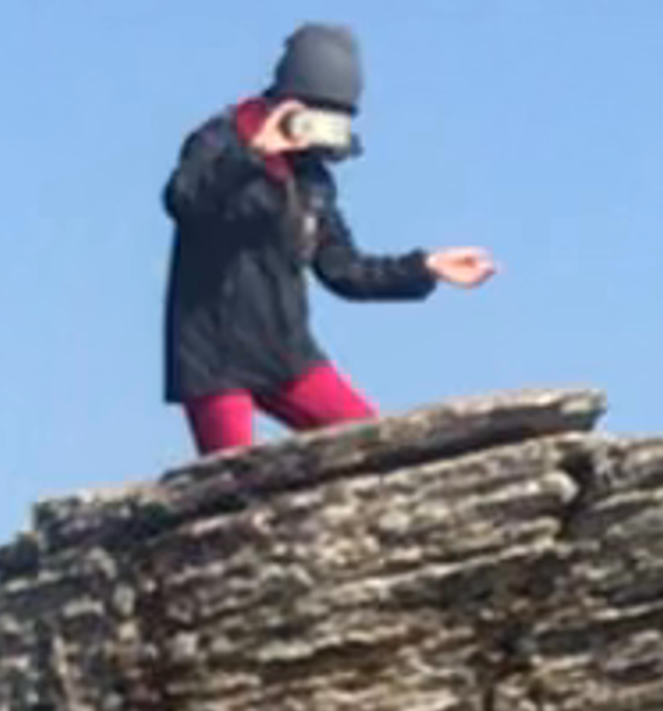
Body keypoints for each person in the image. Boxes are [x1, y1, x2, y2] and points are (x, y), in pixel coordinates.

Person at [162, 24, 495, 459]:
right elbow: (185, 200)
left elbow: (343, 270)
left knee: (378, 448)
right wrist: (254, 155)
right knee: (235, 480)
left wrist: (425, 267)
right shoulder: (220, 139)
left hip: (288, 356)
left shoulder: (312, 180)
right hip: (215, 359)